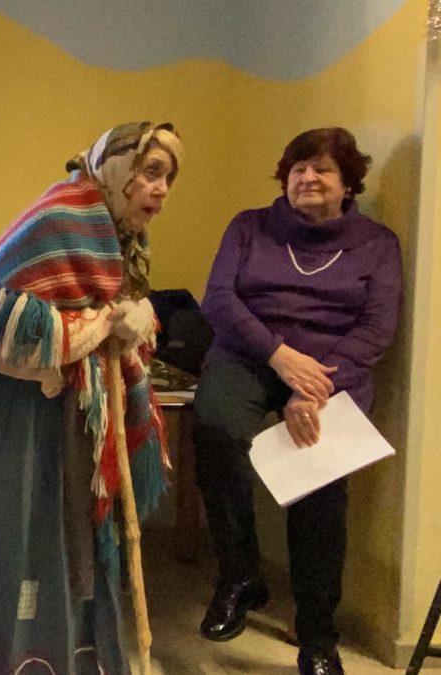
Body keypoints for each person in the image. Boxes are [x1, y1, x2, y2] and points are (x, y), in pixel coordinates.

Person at [0, 122, 183, 674]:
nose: (161, 189)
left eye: (169, 178)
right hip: (24, 419)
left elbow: (111, 309)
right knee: (25, 539)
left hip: (76, 417)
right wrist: (101, 326)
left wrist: (133, 321)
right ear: (118, 169)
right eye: (151, 172)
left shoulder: (124, 239)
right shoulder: (59, 218)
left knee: (77, 542)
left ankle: (76, 658)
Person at [193, 128, 401, 675]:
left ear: (348, 183)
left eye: (322, 169)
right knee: (215, 425)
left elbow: (377, 329)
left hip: (331, 372)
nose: (307, 178)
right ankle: (240, 575)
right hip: (249, 355)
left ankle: (317, 636)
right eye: (297, 169)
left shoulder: (378, 244)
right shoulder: (248, 226)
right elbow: (219, 301)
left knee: (320, 484)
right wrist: (280, 356)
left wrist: (311, 387)